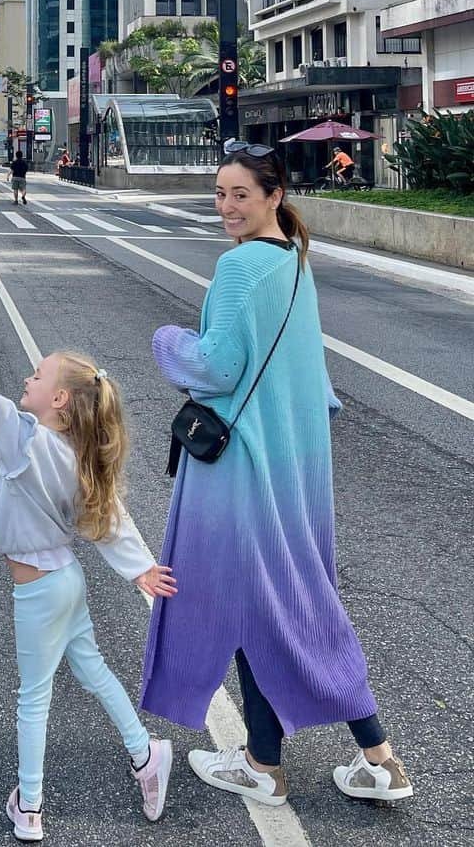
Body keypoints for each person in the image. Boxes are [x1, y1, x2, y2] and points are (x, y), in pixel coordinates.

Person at [142, 144, 412, 808]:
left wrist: (165, 342)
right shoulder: (294, 263)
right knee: (284, 608)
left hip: (240, 474)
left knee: (267, 609)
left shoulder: (240, 268)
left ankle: (311, 762)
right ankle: (332, 761)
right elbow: (315, 384)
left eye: (240, 194)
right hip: (294, 469)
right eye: (221, 193)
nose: (227, 207)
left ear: (274, 195)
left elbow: (215, 369)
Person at [0, 325, 177, 838]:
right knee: (93, 672)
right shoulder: (78, 459)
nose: (27, 377)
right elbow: (109, 519)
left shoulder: (27, 441)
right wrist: (140, 567)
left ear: (59, 398)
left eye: (38, 375)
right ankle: (145, 755)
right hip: (65, 580)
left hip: (40, 591)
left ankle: (32, 806)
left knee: (33, 697)